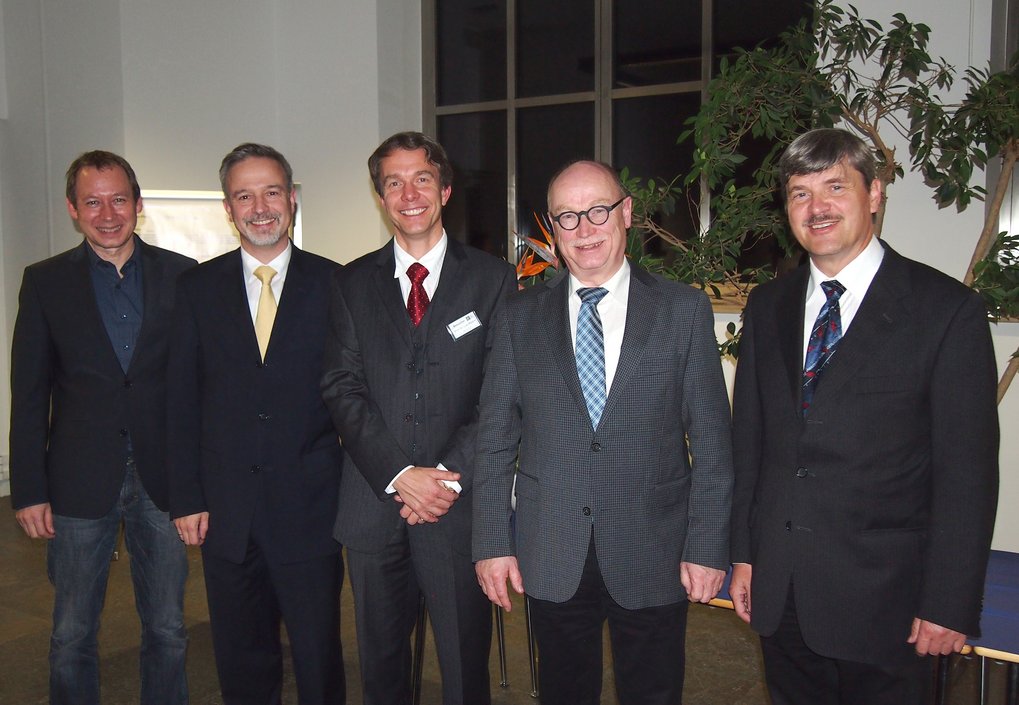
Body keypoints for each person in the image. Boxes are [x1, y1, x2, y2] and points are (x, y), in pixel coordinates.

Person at [729, 127, 1000, 705]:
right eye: (799, 193)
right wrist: (745, 554)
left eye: (835, 186)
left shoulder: (945, 311)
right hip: (785, 592)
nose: (817, 207)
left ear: (875, 193)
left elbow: (967, 473)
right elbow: (750, 442)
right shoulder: (768, 306)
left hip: (891, 604)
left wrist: (948, 602)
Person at [473, 160, 734, 705]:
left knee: (653, 691)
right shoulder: (520, 320)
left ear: (627, 214)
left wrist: (708, 547)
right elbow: (495, 440)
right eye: (568, 217)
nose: (584, 229)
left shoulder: (682, 311)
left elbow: (712, 442)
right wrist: (492, 543)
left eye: (598, 211)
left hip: (655, 547)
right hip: (552, 548)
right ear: (551, 227)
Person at [320, 131, 515, 705]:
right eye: (393, 183)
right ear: (380, 197)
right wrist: (400, 474)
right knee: (380, 673)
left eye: (422, 178)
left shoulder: (493, 279)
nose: (409, 193)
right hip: (373, 507)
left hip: (457, 511)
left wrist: (446, 475)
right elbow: (341, 385)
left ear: (445, 189)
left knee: (462, 669)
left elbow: (501, 394)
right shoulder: (350, 282)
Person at [9, 150, 195, 705]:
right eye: (93, 201)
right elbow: (29, 394)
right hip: (76, 481)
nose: (107, 213)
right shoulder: (44, 283)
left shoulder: (183, 277)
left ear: (138, 205)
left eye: (118, 199)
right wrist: (29, 489)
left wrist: (197, 484)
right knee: (71, 634)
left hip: (163, 483)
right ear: (73, 209)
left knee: (168, 628)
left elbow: (196, 389)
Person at [167, 143, 345, 705]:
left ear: (291, 199)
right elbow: (179, 400)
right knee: (241, 660)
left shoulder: (337, 285)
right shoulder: (197, 289)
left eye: (271, 192)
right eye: (244, 195)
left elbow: (355, 396)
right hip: (226, 512)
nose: (260, 206)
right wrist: (186, 497)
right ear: (228, 207)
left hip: (311, 508)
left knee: (319, 658)